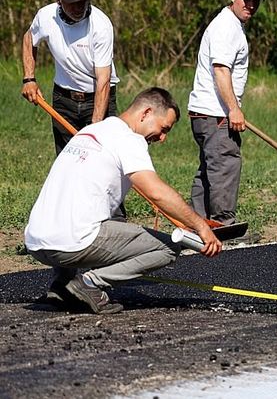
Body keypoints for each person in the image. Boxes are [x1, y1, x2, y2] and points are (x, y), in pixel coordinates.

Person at [24, 87, 222, 314]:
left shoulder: (90, 132)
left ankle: (61, 285)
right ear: (146, 113)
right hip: (71, 244)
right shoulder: (129, 139)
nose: (162, 138)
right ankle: (89, 284)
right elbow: (155, 192)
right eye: (163, 128)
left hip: (36, 241)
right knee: (169, 247)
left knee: (79, 215)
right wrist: (201, 226)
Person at [188, 0, 263, 227]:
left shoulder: (230, 25)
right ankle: (222, 224)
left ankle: (198, 226)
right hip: (215, 113)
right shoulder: (226, 27)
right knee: (224, 165)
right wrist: (233, 109)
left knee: (208, 170)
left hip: (205, 112)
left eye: (255, 1)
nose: (250, 5)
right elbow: (221, 69)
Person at [20, 0, 121, 153]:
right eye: (72, 2)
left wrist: (95, 127)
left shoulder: (101, 25)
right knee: (66, 159)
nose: (78, 7)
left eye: (83, 1)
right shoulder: (45, 16)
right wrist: (29, 79)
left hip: (96, 99)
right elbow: (29, 39)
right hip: (63, 100)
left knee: (100, 158)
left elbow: (103, 81)